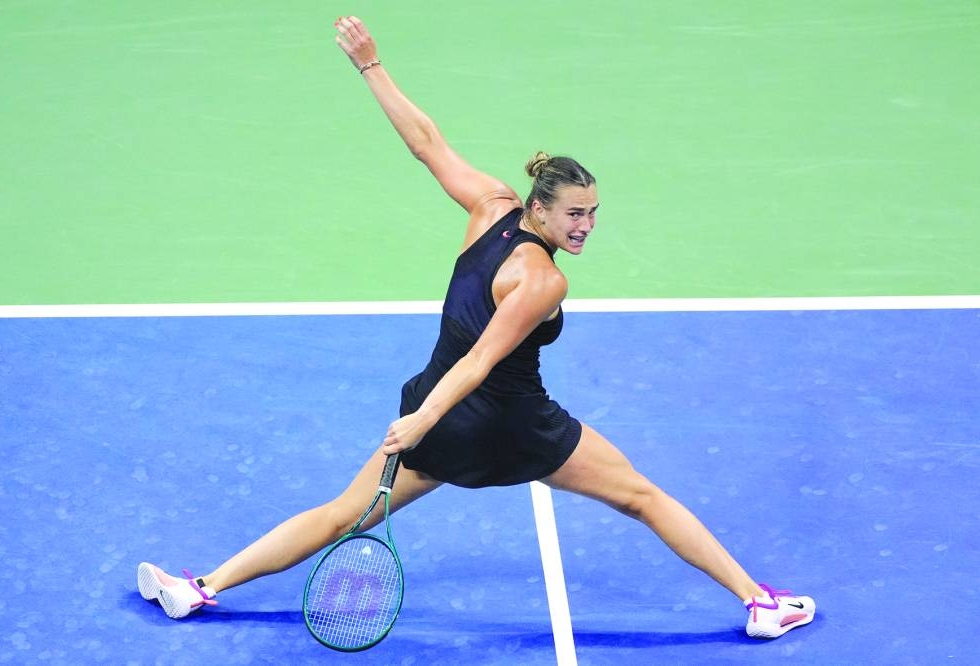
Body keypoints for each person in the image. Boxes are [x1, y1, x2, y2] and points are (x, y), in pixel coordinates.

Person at [137, 15, 815, 640]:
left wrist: (372, 66)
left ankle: (200, 588)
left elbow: (428, 144)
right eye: (575, 214)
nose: (586, 227)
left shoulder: (489, 206)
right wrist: (424, 421)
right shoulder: (542, 278)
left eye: (594, 213)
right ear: (542, 208)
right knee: (640, 496)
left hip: (440, 418)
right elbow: (483, 361)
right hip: (506, 423)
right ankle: (758, 602)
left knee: (343, 513)